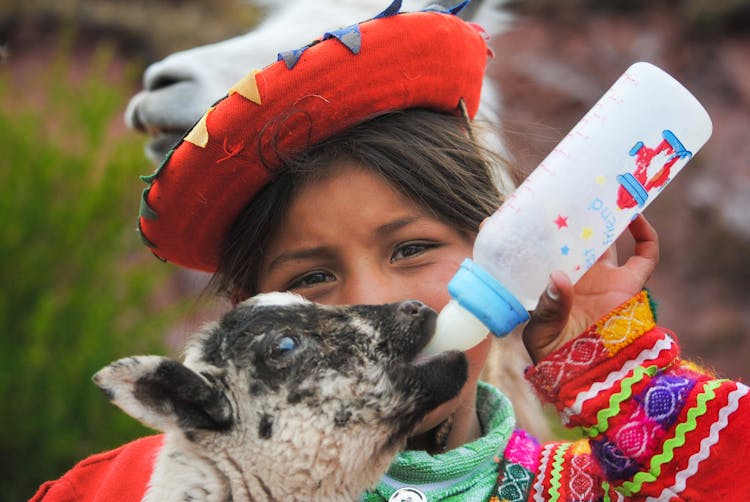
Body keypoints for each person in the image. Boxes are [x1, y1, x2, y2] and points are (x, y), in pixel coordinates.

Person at [32, 3, 750, 501]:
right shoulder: (110, 493)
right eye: (311, 276)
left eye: (411, 249)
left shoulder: (602, 488)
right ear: (245, 315)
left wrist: (620, 370)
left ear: (505, 249)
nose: (373, 301)